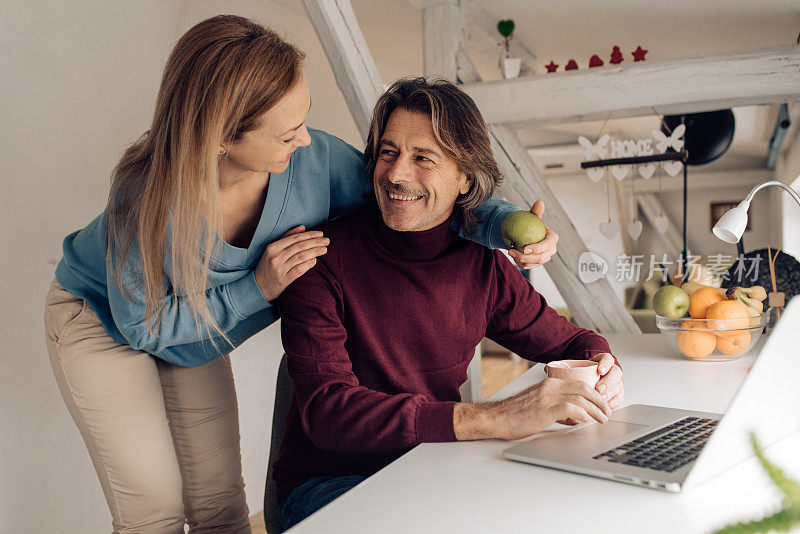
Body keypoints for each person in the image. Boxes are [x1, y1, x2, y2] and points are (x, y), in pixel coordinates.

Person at [42, 15, 556, 534]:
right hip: (106, 322)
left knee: (219, 504)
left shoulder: (316, 162)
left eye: (303, 119)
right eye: (288, 132)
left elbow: (414, 190)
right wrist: (258, 287)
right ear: (222, 137)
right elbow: (144, 328)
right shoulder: (144, 197)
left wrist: (506, 225)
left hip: (200, 332)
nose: (307, 139)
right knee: (153, 512)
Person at [274, 77, 624, 530]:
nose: (397, 174)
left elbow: (572, 341)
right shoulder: (318, 259)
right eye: (388, 152)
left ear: (466, 177)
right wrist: (497, 416)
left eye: (423, 158)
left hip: (431, 468)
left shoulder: (481, 265)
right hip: (328, 486)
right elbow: (330, 414)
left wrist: (603, 364)